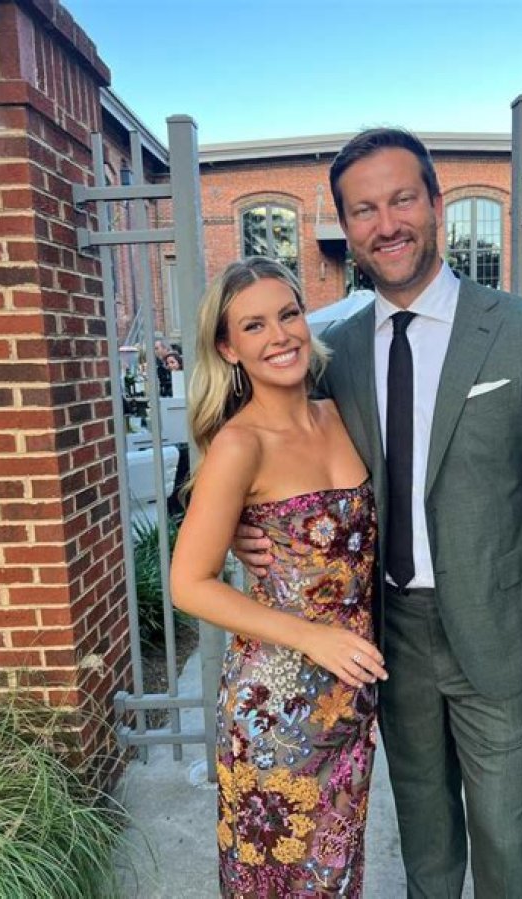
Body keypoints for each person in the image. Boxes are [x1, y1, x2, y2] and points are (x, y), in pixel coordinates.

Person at [235, 129, 522, 898]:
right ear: (347, 226)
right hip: (387, 635)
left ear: (436, 203)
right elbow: (263, 444)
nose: (387, 223)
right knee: (425, 837)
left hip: (499, 631)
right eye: (364, 209)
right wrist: (250, 524)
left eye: (402, 199)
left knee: (503, 837)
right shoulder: (332, 349)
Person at [169, 256, 387, 897]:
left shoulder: (342, 414)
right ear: (228, 348)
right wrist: (312, 636)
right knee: (277, 879)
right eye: (254, 326)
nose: (279, 336)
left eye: (288, 314)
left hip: (348, 699)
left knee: (334, 876)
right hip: (275, 708)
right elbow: (189, 582)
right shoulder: (240, 445)